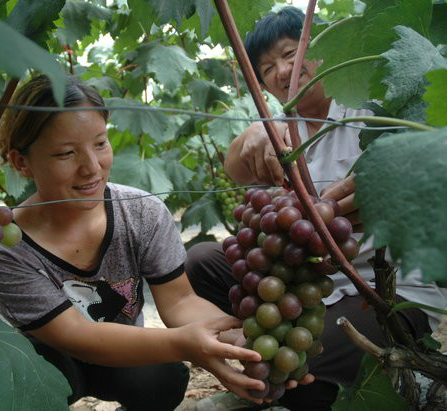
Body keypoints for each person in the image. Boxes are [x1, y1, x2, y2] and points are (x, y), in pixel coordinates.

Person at [185, 6, 447, 411]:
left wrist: (387, 186)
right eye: (268, 68)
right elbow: (235, 166)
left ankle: (286, 370)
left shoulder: (374, 110)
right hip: (304, 279)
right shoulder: (280, 135)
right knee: (201, 260)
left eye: (291, 54)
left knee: (300, 371)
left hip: (381, 292)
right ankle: (270, 349)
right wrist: (254, 134)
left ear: (322, 52)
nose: (283, 71)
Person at [0, 74, 293, 411]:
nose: (91, 167)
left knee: (164, 376)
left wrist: (238, 340)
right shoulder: (4, 245)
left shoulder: (142, 212)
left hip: (127, 350)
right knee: (27, 384)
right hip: (54, 361)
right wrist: (184, 344)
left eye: (100, 143)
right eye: (66, 153)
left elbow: (180, 302)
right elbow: (73, 335)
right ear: (20, 162)